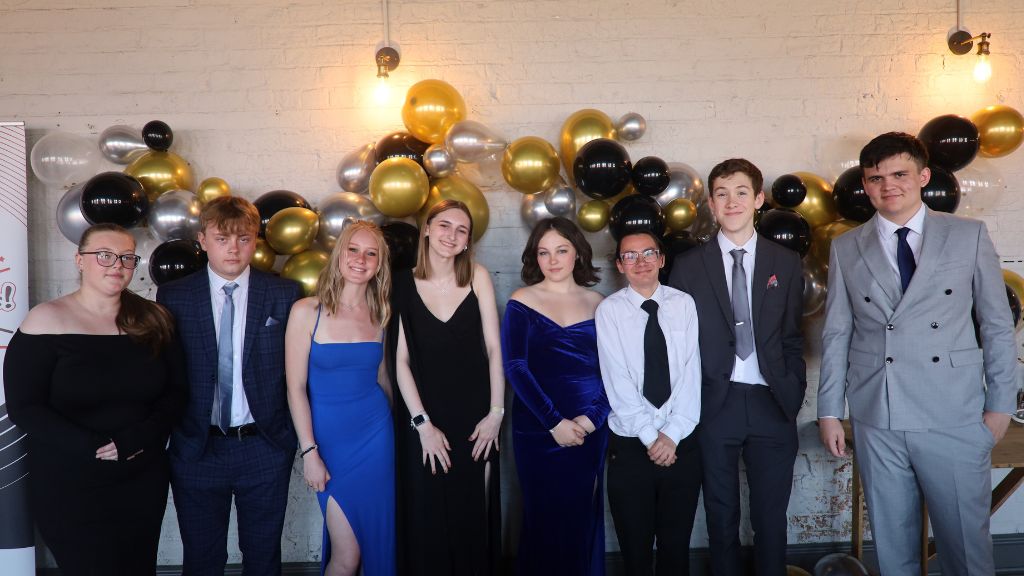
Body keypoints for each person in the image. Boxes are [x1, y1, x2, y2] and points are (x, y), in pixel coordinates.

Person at [818, 132, 1017, 576]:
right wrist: (830, 410)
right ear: (865, 186)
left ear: (923, 176)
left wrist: (1001, 404)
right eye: (876, 177)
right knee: (893, 546)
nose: (889, 185)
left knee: (965, 546)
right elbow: (837, 332)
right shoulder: (848, 246)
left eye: (900, 173)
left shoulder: (967, 235)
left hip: (954, 411)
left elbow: (997, 324)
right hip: (879, 415)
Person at [3, 223, 186, 575]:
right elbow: (24, 407)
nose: (116, 265)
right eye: (104, 255)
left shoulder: (154, 320)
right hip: (68, 482)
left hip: (141, 477)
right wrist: (95, 446)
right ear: (80, 260)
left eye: (126, 258)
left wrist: (135, 440)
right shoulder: (45, 320)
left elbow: (177, 395)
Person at [669, 159, 805, 576]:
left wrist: (793, 391)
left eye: (741, 192)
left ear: (758, 199)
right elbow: (679, 346)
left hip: (771, 403)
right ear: (711, 203)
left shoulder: (785, 262)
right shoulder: (689, 266)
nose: (732, 202)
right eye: (722, 194)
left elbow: (792, 335)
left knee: (770, 519)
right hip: (715, 406)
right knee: (720, 515)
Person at [157, 196, 302, 576]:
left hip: (264, 446)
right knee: (203, 558)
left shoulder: (283, 295)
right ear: (203, 240)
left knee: (263, 556)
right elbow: (165, 373)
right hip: (197, 446)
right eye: (222, 239)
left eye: (243, 238)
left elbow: (297, 372)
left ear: (256, 240)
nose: (233, 249)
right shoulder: (175, 297)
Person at [388, 199, 504, 575]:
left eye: (461, 230)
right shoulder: (401, 283)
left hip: (476, 417)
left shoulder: (478, 277)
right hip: (424, 418)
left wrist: (496, 414)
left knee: (473, 518)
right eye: (444, 226)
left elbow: (493, 349)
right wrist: (422, 424)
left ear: (469, 241)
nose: (451, 236)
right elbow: (399, 361)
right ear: (426, 229)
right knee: (427, 519)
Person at [285, 221, 395, 576]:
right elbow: (295, 388)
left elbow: (383, 380)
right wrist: (309, 452)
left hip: (377, 440)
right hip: (329, 445)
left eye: (371, 253)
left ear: (380, 263)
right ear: (339, 254)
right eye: (353, 249)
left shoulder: (382, 315)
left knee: (377, 544)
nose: (360, 259)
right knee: (347, 555)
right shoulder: (307, 311)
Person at [502, 217, 610, 575]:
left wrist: (592, 419)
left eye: (561, 250)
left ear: (577, 252)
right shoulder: (522, 300)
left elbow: (617, 372)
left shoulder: (599, 303)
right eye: (544, 252)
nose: (553, 259)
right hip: (537, 429)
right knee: (543, 518)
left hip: (588, 428)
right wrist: (554, 422)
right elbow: (516, 367)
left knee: (580, 518)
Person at [595, 230, 702, 576]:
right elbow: (617, 380)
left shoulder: (683, 304)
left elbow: (691, 372)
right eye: (630, 255)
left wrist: (672, 434)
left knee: (675, 548)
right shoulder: (609, 311)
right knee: (635, 550)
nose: (640, 262)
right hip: (630, 447)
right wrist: (650, 437)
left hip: (681, 444)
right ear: (619, 265)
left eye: (648, 253)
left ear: (661, 259)